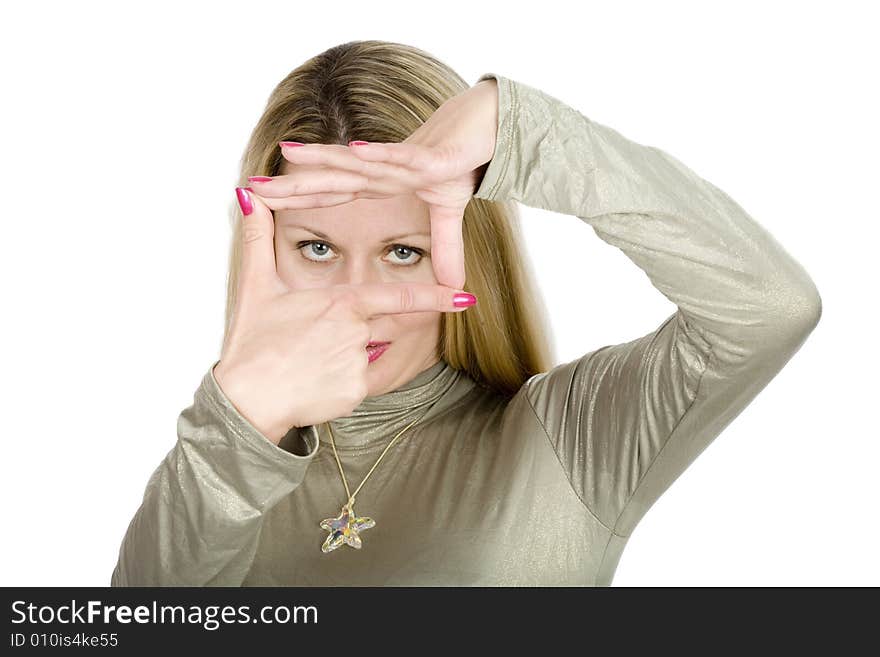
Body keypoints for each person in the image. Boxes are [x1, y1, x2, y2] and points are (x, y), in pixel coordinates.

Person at [110, 40, 822, 586]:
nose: (356, 299)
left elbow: (769, 307)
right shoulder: (218, 470)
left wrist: (525, 134)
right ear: (261, 248)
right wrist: (234, 423)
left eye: (403, 251)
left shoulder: (570, 440)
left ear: (465, 252)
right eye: (318, 246)